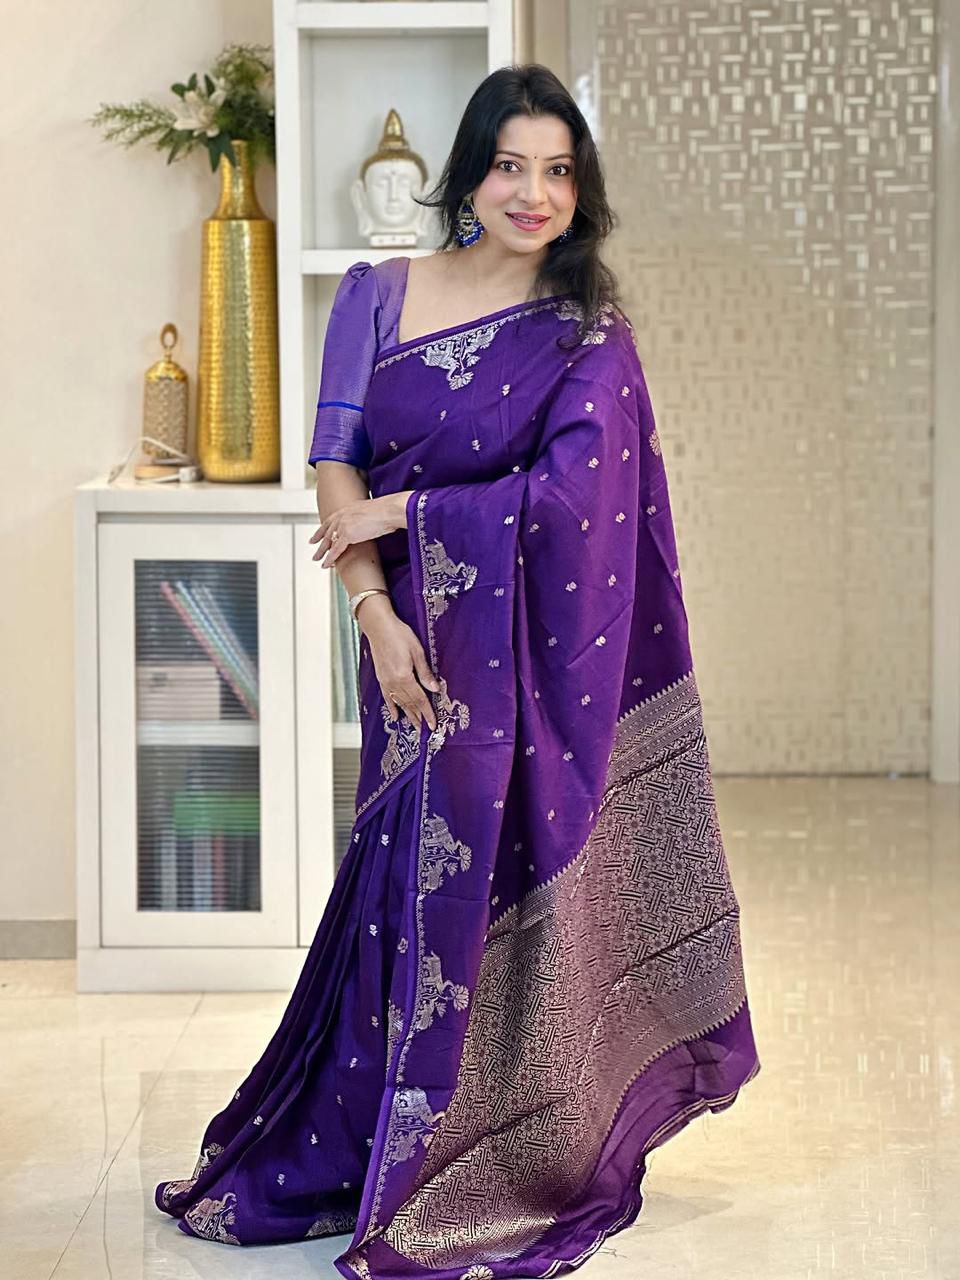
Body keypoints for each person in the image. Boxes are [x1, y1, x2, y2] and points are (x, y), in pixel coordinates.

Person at [155, 62, 761, 1280]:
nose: (534, 193)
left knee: (494, 887)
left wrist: (408, 510)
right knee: (401, 883)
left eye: (559, 170)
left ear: (580, 187)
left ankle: (494, 1146)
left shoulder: (587, 333)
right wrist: (375, 615)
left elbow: (579, 506)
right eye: (510, 165)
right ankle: (365, 1143)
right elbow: (335, 465)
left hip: (527, 667)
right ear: (469, 174)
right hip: (406, 640)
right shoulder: (377, 293)